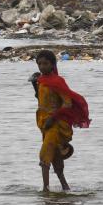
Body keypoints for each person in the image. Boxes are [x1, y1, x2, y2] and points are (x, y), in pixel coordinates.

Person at [30, 50, 90, 192]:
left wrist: (53, 117)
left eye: (45, 63)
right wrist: (34, 86)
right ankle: (65, 187)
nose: (42, 67)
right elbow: (41, 99)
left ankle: (45, 189)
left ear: (52, 65)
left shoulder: (58, 81)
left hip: (56, 124)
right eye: (39, 64)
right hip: (44, 122)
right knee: (56, 155)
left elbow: (67, 103)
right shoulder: (40, 81)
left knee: (45, 154)